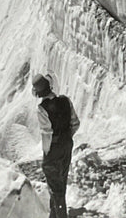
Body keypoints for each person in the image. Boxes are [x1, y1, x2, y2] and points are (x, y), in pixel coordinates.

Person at [33, 73, 80, 218]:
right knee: (61, 183)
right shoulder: (66, 101)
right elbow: (75, 123)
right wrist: (66, 138)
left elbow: (47, 133)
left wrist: (47, 153)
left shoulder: (42, 108)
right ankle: (53, 215)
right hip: (67, 145)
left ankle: (60, 215)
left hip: (53, 148)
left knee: (55, 188)